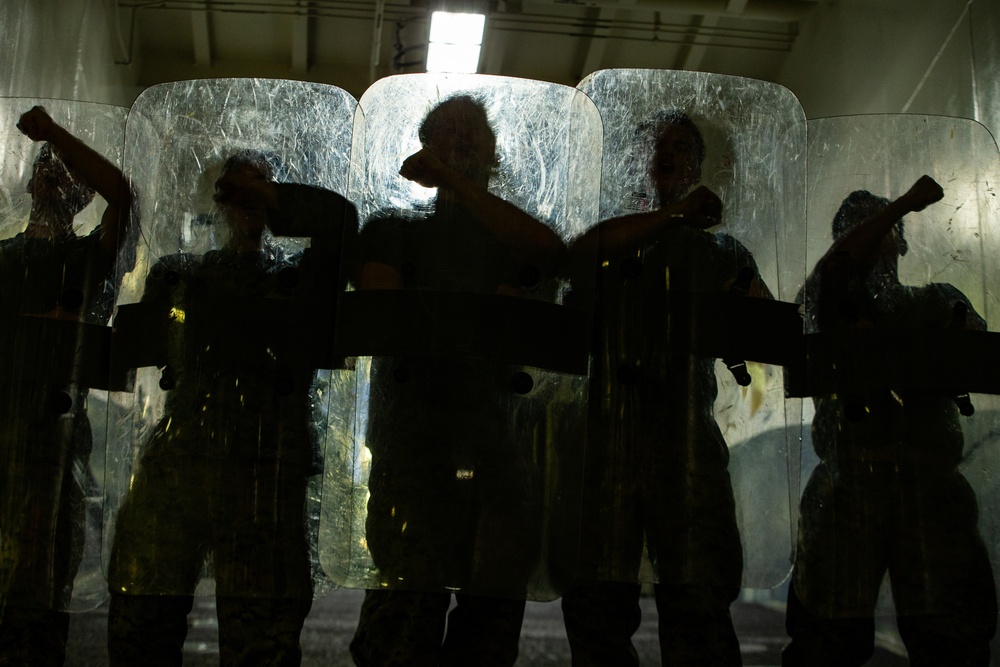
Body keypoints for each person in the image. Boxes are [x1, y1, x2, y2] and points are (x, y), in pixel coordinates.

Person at [106, 149, 357, 666]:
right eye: (235, 191)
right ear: (218, 202)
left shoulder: (299, 279)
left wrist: (265, 191)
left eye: (261, 189)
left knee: (260, 637)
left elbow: (340, 224)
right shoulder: (181, 275)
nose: (248, 202)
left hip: (264, 468)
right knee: (142, 617)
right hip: (182, 460)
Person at [349, 95, 565, 667]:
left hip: (500, 449)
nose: (460, 138)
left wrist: (457, 182)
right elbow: (381, 307)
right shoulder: (392, 229)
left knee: (490, 621)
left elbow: (549, 255)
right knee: (405, 612)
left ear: (493, 153)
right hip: (412, 447)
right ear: (423, 151)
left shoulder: (512, 237)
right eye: (445, 132)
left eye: (472, 131)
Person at [561, 110, 770, 666]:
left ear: (697, 166)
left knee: (698, 599)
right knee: (598, 602)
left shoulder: (720, 251)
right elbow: (578, 255)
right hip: (606, 439)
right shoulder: (610, 235)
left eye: (681, 146)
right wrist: (675, 214)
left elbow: (766, 324)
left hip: (683, 439)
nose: (667, 153)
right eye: (658, 145)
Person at [783, 177, 998, 667]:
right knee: (826, 638)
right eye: (857, 229)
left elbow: (980, 354)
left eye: (883, 227)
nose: (874, 236)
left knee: (952, 639)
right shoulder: (826, 302)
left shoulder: (937, 300)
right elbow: (832, 276)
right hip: (849, 487)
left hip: (931, 489)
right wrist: (903, 204)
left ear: (900, 239)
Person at [0, 105, 133, 665]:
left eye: (68, 170)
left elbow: (122, 198)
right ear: (30, 181)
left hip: (49, 454)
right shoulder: (6, 259)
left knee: (36, 604)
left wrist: (54, 133)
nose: (54, 172)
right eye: (46, 164)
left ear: (83, 194)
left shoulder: (86, 260)